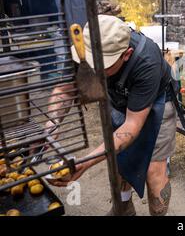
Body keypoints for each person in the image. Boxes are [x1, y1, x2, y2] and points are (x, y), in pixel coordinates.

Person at [45, 15, 177, 216]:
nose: (93, 70)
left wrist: (85, 162)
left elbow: (132, 126)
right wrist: (51, 126)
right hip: (118, 97)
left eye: (102, 65)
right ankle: (123, 209)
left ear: (126, 54)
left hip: (158, 99)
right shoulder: (82, 48)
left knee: (154, 169)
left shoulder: (146, 60)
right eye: (90, 62)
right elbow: (65, 90)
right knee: (118, 159)